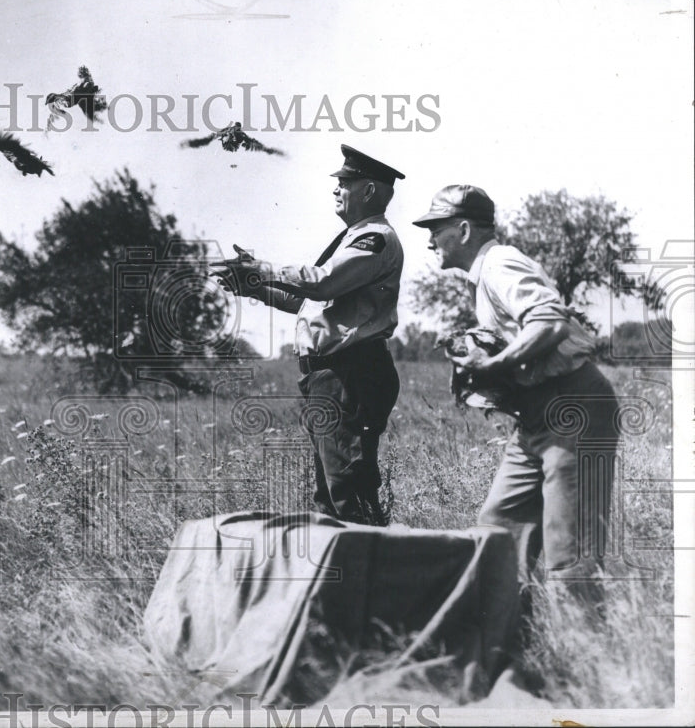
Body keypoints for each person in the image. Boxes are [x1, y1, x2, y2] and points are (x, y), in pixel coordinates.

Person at [413, 184, 619, 606]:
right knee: (498, 529)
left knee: (570, 553)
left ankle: (585, 661)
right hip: (536, 419)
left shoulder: (499, 264)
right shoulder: (484, 275)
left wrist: (491, 366)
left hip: (572, 408)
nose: (430, 238)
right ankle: (512, 645)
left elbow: (549, 322)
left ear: (464, 229)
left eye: (437, 227)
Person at [211, 145, 405, 525]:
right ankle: (351, 575)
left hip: (350, 372)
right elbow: (306, 303)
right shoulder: (352, 238)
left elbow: (322, 284)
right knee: (332, 496)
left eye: (345, 182)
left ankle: (379, 573)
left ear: (368, 191)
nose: (336, 189)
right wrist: (252, 284)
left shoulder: (374, 239)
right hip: (331, 376)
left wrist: (262, 268)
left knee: (348, 490)